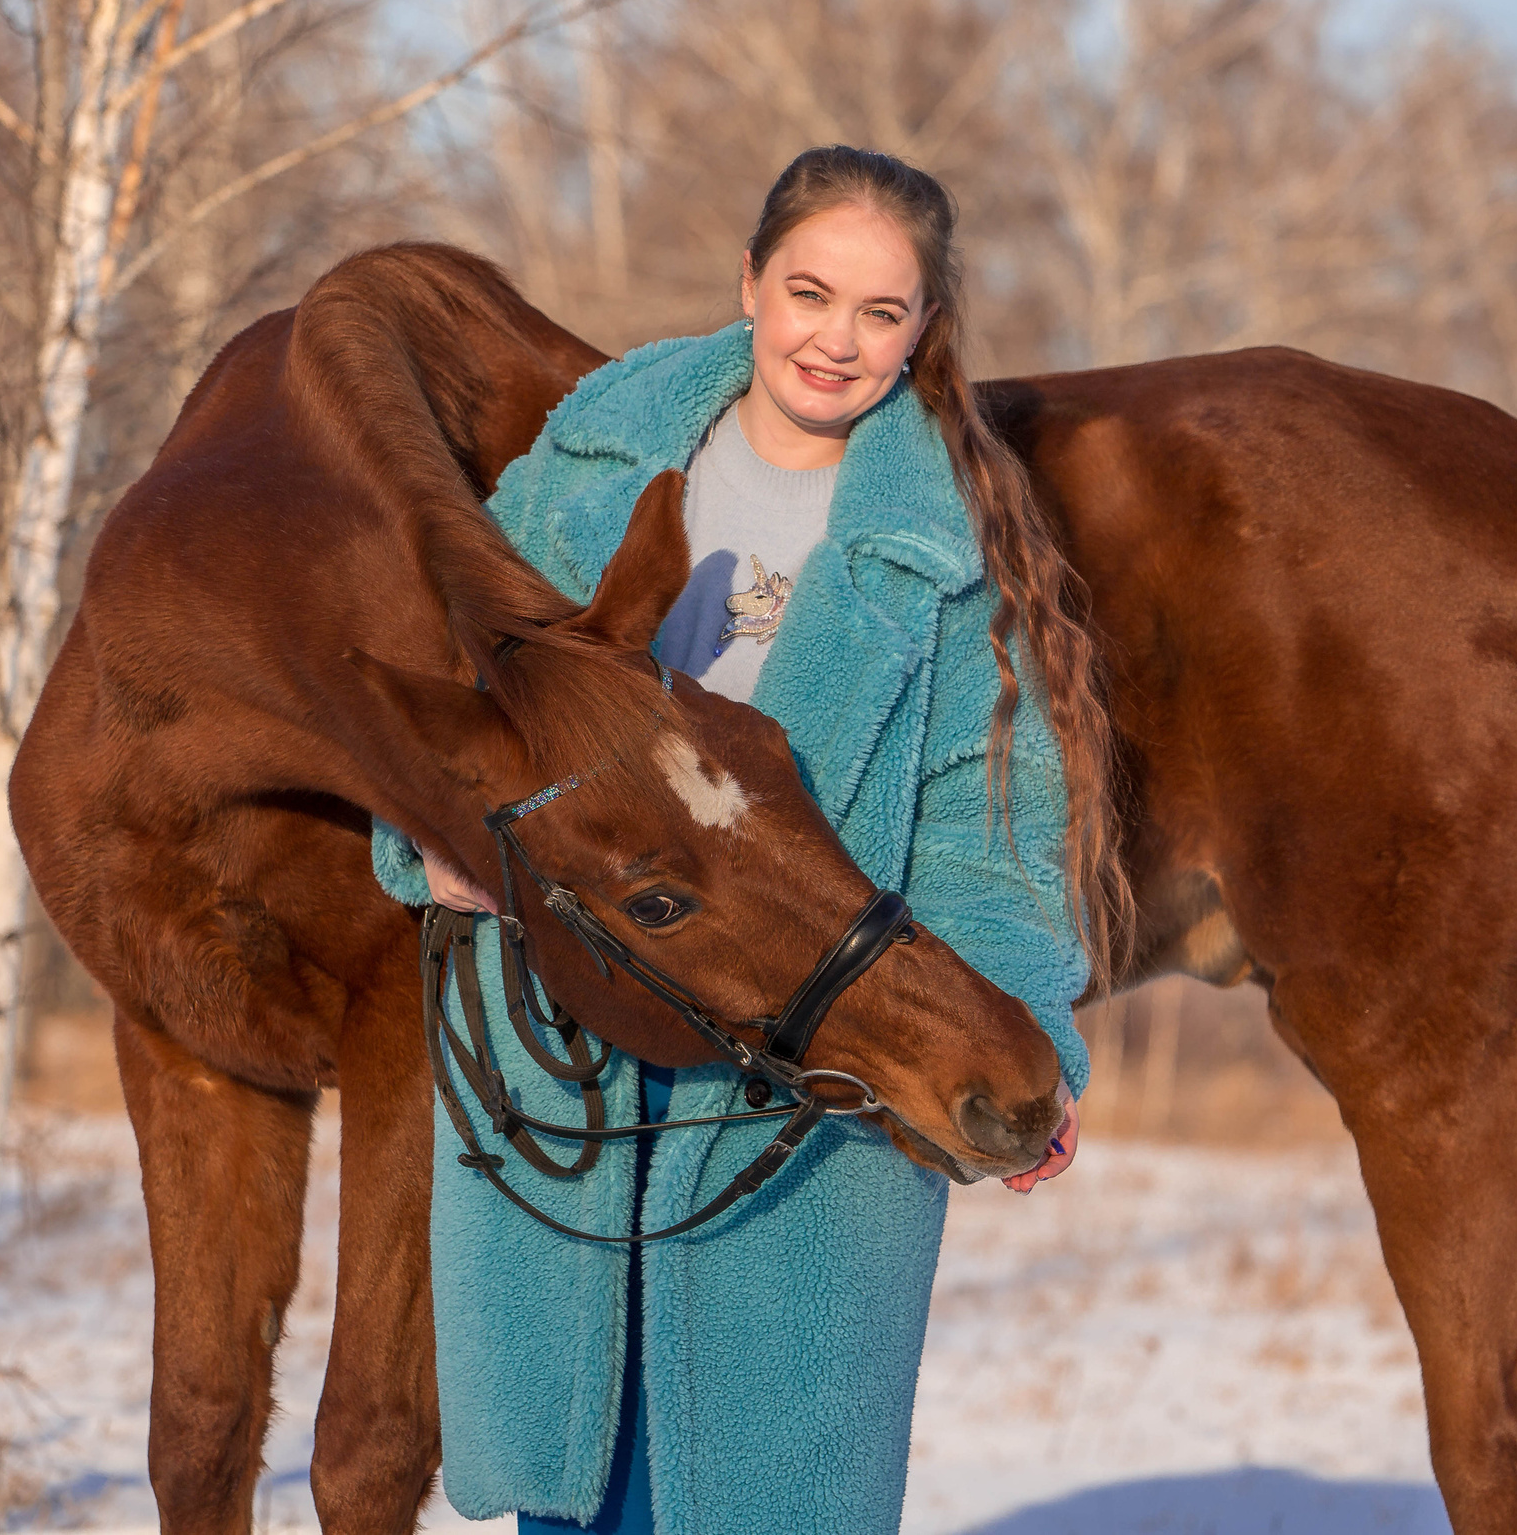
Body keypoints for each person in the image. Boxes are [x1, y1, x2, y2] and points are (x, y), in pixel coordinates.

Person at [369, 145, 1129, 1535]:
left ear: (923, 330)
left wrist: (1027, 1047)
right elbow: (451, 701)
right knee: (579, 1488)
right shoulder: (592, 465)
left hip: (813, 1083)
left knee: (763, 1496)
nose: (835, 340)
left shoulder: (947, 555)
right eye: (809, 293)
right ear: (751, 284)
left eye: (881, 312)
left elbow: (992, 843)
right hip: (568, 1049)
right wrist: (426, 848)